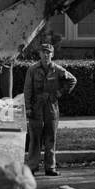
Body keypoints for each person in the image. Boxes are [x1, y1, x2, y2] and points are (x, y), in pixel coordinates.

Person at [23, 42, 77, 177]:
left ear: (52, 54)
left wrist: (60, 92)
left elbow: (72, 80)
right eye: (43, 52)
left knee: (51, 138)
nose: (46, 55)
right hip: (36, 107)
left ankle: (50, 167)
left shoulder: (57, 69)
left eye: (49, 53)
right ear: (39, 54)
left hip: (52, 107)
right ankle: (32, 167)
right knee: (35, 139)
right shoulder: (32, 70)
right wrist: (28, 108)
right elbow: (28, 89)